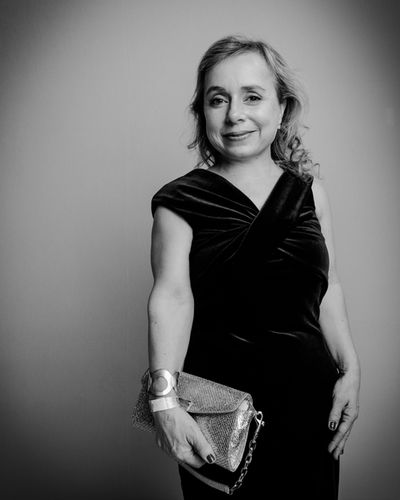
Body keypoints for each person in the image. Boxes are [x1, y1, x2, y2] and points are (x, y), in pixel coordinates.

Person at [145, 35, 360, 499]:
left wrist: (350, 368)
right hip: (222, 417)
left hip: (310, 407)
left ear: (282, 109)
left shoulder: (310, 192)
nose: (234, 114)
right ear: (202, 113)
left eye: (252, 97)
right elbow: (172, 298)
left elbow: (328, 287)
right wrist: (163, 402)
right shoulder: (178, 201)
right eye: (217, 99)